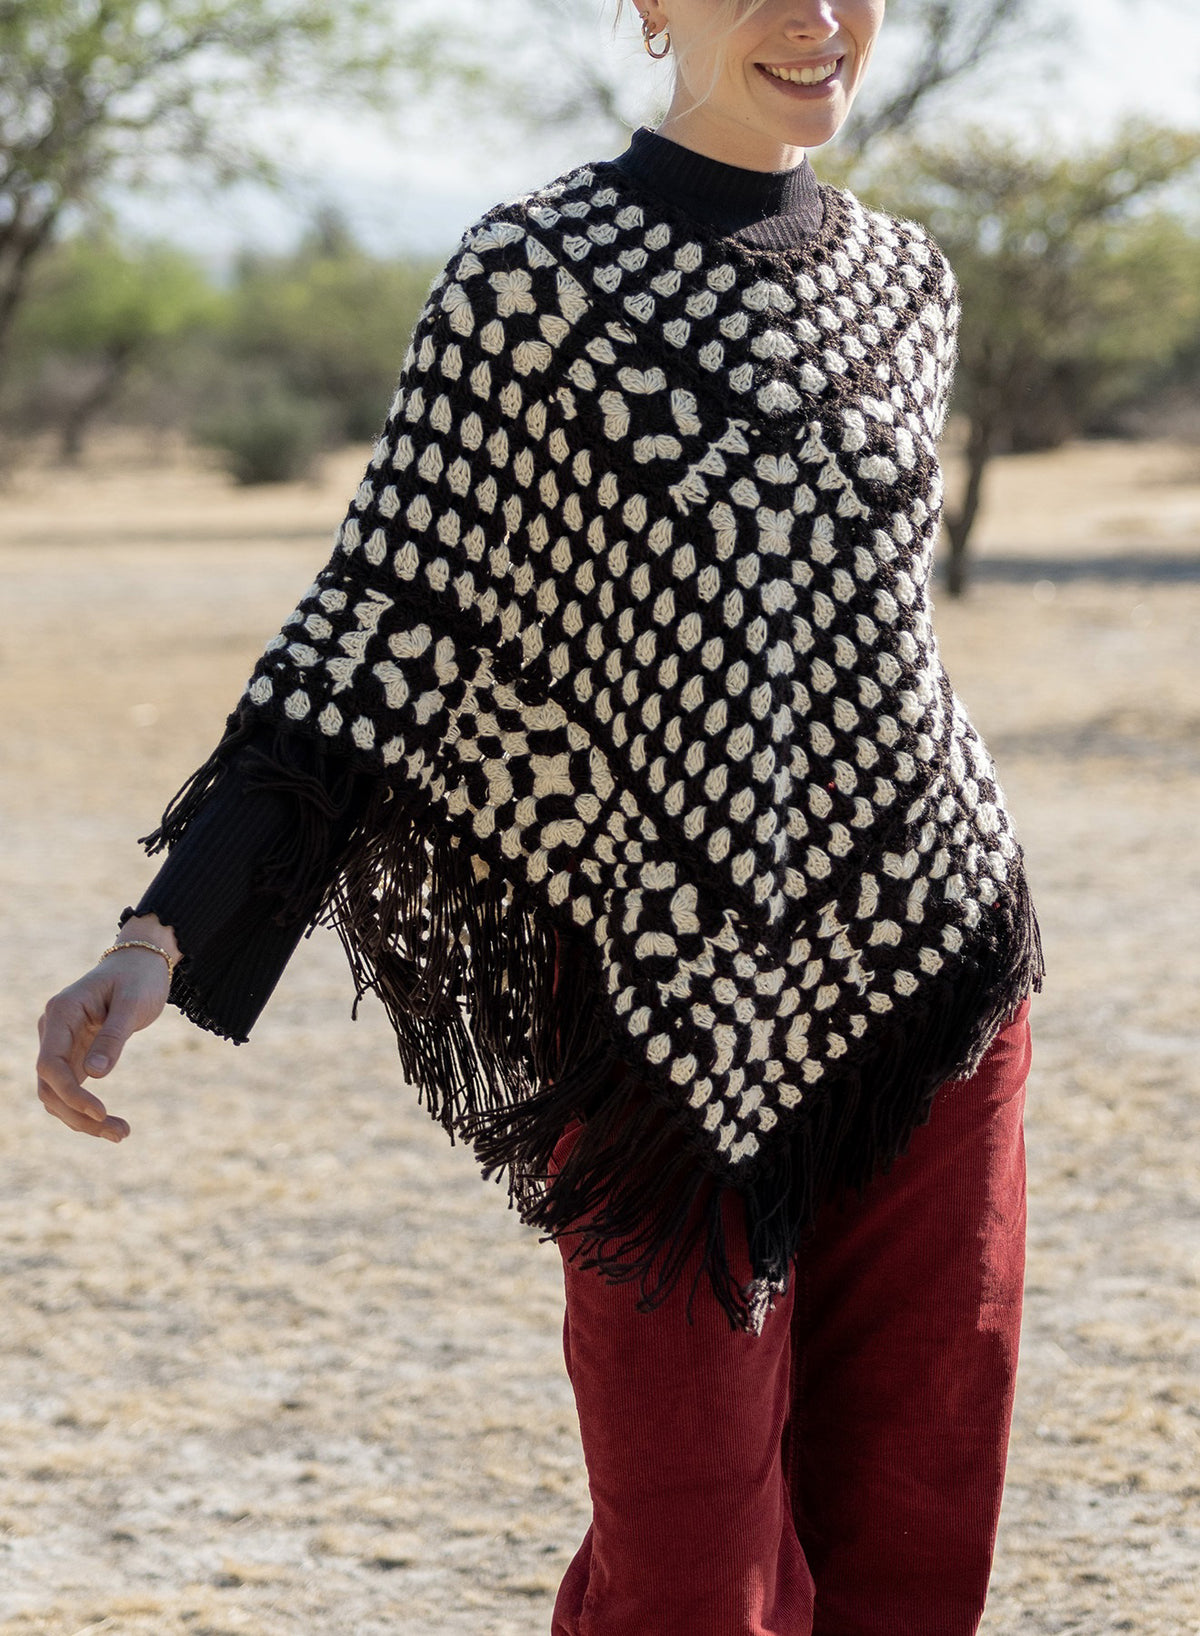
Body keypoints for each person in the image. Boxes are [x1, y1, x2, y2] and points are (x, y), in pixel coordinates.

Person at [35, 2, 1044, 1631]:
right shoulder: (530, 280)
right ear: (649, 6)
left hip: (929, 965)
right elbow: (381, 630)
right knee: (689, 1570)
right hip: (649, 1001)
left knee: (914, 1526)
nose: (813, 17)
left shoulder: (911, 284)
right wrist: (166, 936)